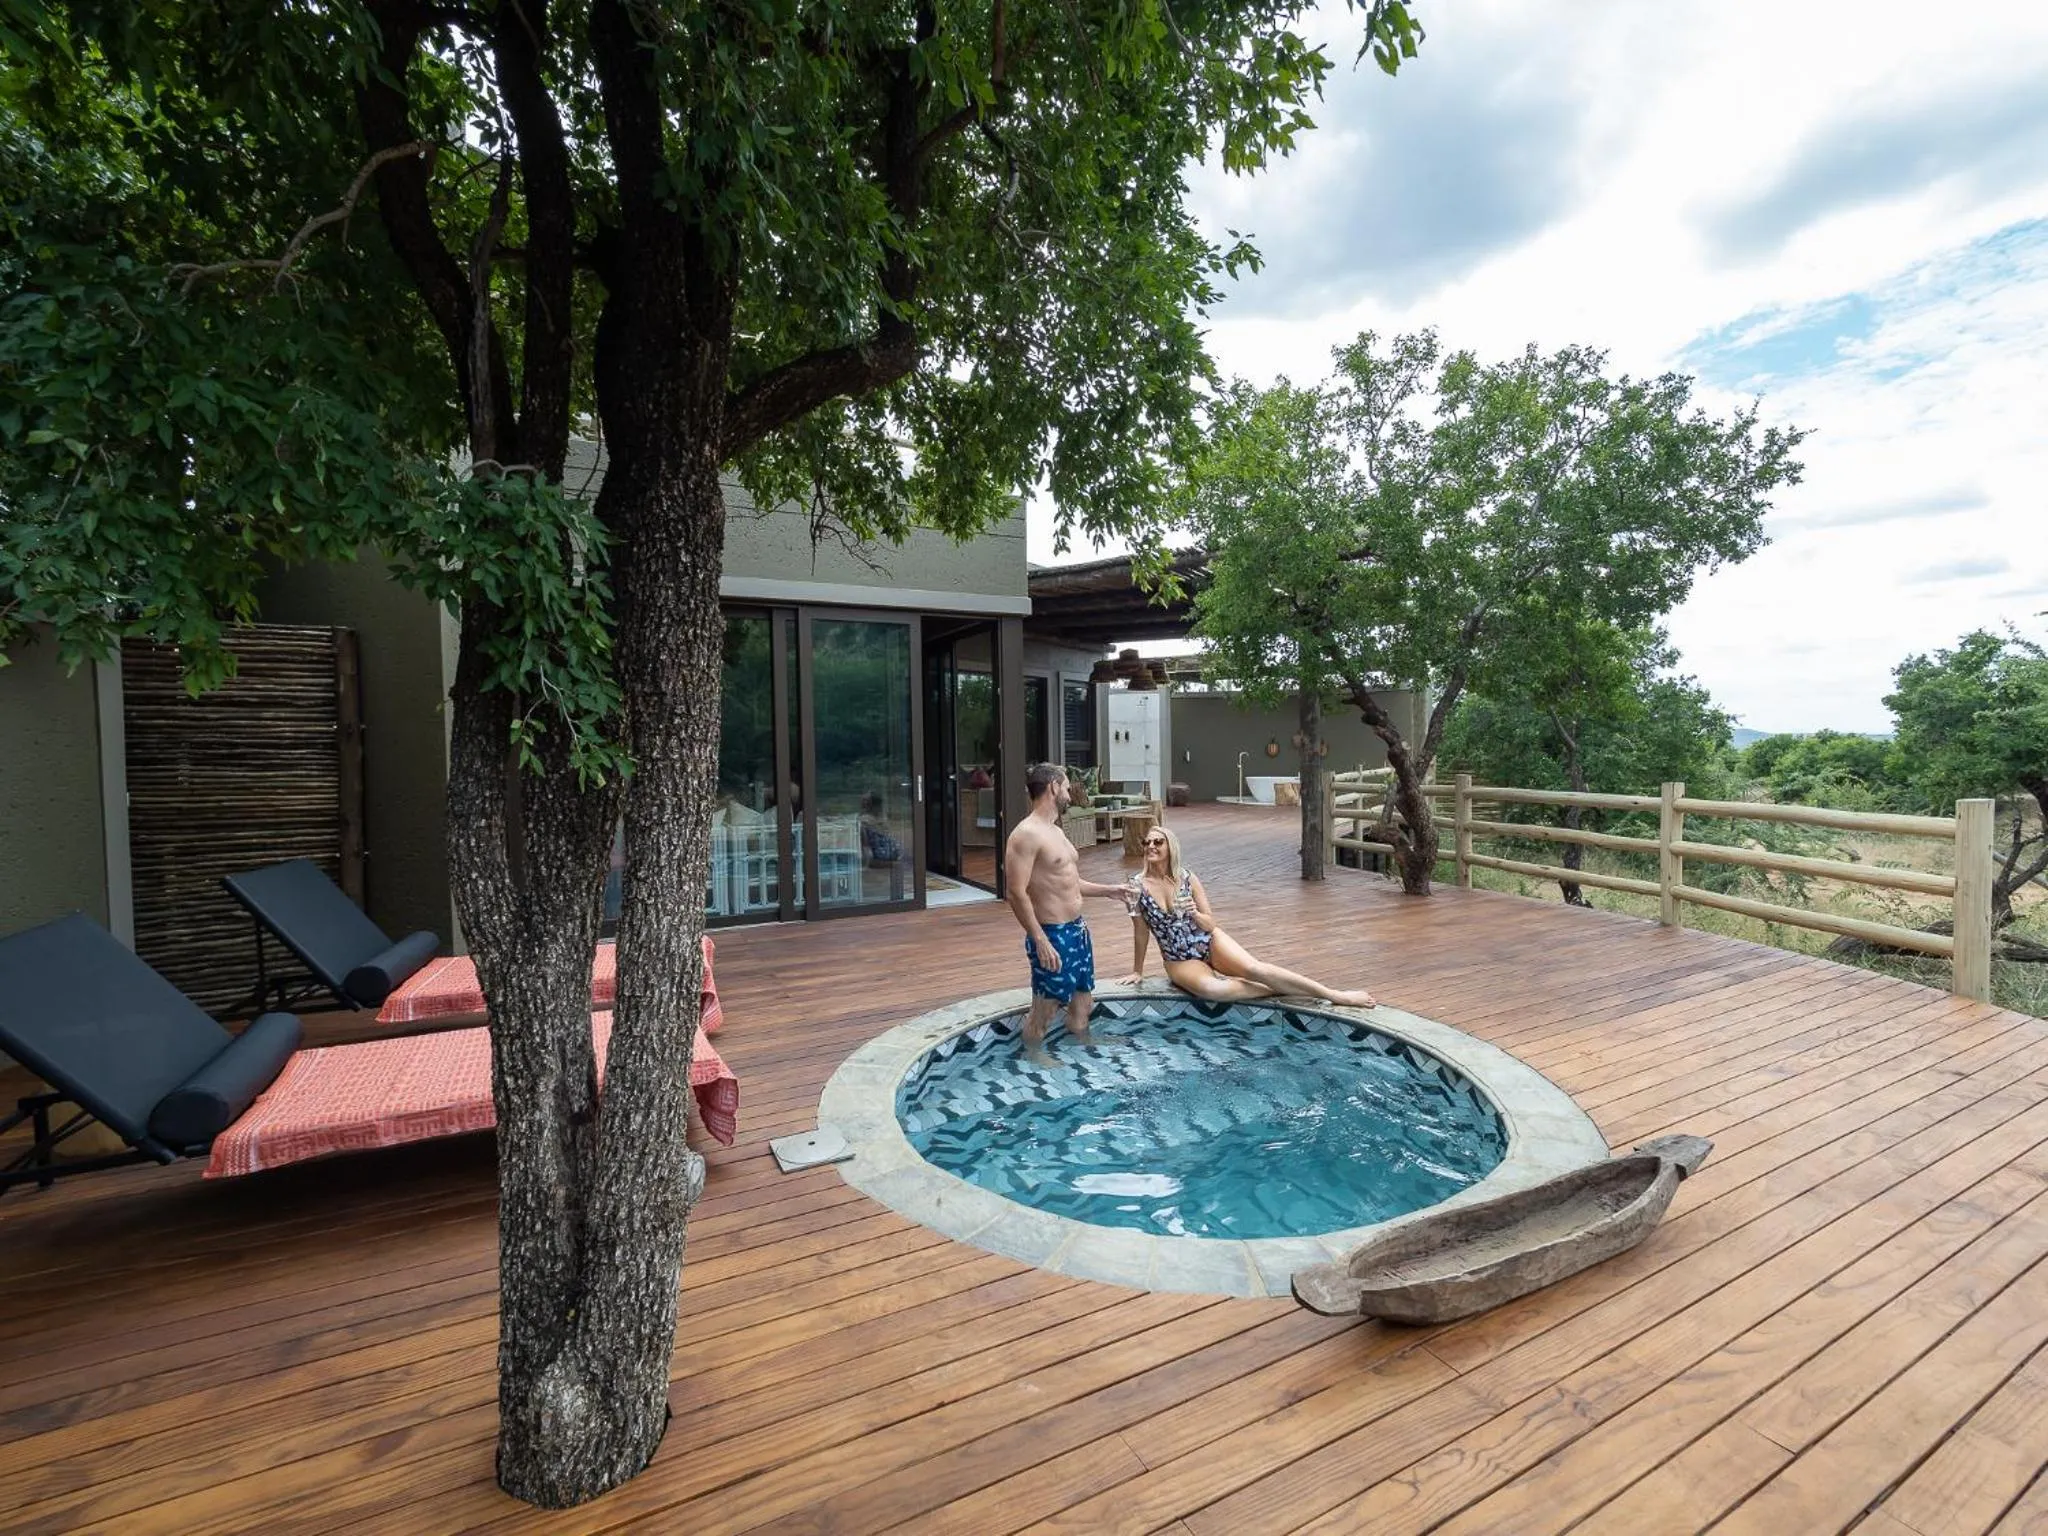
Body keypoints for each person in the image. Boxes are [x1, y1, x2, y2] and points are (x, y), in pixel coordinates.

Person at [1121, 825, 1376, 1007]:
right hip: (1178, 958)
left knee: (1255, 968)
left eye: (1157, 842)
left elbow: (1210, 924)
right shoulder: (1136, 886)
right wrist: (1137, 970)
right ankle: (1278, 992)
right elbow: (1140, 932)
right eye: (1147, 842)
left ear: (1170, 847)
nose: (1150, 846)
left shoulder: (1187, 877)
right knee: (1213, 990)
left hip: (1209, 940)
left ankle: (1334, 995)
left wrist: (1194, 913)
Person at [1004, 762, 1134, 1062]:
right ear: (1052, 787)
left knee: (1083, 1002)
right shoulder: (1026, 834)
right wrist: (1039, 939)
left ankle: (1082, 1044)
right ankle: (1033, 1056)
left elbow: (1069, 882)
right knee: (1045, 1007)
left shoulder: (1056, 830)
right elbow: (1016, 892)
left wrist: (1110, 890)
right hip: (1053, 933)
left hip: (1077, 930)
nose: (1069, 792)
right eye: (1065, 786)